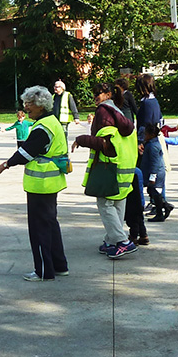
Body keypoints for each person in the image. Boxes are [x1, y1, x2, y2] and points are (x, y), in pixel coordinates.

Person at [0, 86, 69, 281]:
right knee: (50, 224)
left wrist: (3, 166)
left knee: (39, 228)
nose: (26, 108)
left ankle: (43, 271)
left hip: (41, 185)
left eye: (29, 104)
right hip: (51, 183)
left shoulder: (42, 127)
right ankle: (59, 266)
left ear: (40, 106)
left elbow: (25, 153)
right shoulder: (52, 121)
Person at [71, 82, 138, 260]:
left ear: (108, 94)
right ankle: (111, 240)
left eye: (98, 93)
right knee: (118, 203)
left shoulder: (103, 112)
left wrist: (82, 139)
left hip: (110, 166)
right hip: (125, 166)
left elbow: (105, 144)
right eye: (94, 94)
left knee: (105, 203)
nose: (95, 97)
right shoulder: (119, 111)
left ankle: (122, 242)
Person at [142, 124, 173, 223]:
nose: (144, 136)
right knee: (152, 192)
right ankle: (165, 206)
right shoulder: (151, 143)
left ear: (151, 135)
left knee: (155, 192)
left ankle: (160, 212)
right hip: (155, 173)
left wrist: (153, 176)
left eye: (146, 134)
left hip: (157, 174)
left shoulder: (153, 146)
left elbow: (155, 162)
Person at [52, 80, 80, 149]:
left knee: (63, 137)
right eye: (54, 86)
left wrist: (76, 117)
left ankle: (65, 153)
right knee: (55, 138)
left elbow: (73, 106)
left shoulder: (67, 95)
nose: (55, 88)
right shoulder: (53, 96)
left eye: (57, 87)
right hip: (55, 121)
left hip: (63, 120)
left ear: (62, 88)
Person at [135, 73, 162, 141]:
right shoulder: (154, 100)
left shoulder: (146, 103)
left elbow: (145, 125)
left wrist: (141, 141)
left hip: (148, 139)